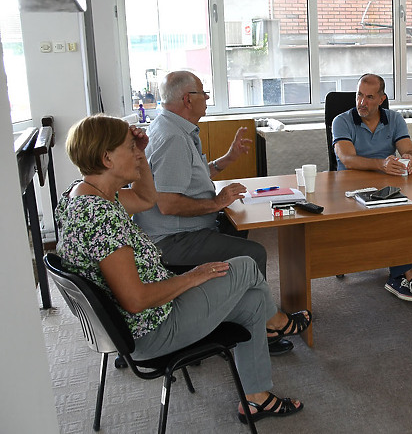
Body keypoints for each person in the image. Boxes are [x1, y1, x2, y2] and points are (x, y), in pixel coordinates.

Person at [56, 115, 307, 423]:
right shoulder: (101, 218)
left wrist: (143, 158)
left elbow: (147, 198)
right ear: (107, 158)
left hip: (139, 321)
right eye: (129, 147)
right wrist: (193, 276)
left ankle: (255, 399)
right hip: (152, 329)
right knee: (245, 265)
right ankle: (279, 323)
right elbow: (135, 300)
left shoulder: (83, 195)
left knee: (253, 301)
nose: (138, 152)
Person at [133, 70, 295, 355]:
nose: (207, 98)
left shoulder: (173, 127)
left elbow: (191, 178)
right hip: (171, 239)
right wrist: (216, 203)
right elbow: (168, 203)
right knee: (253, 253)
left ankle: (230, 312)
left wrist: (227, 160)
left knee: (239, 228)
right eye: (203, 93)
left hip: (178, 230)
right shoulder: (173, 138)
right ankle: (263, 329)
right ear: (187, 99)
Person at [331, 73, 412, 305]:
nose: (362, 102)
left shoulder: (394, 118)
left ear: (381, 99)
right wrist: (381, 164)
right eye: (359, 95)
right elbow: (347, 159)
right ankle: (405, 274)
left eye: (369, 97)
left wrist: (409, 157)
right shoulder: (342, 121)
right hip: (351, 189)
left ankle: (400, 273)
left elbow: (409, 149)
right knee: (393, 217)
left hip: (387, 186)